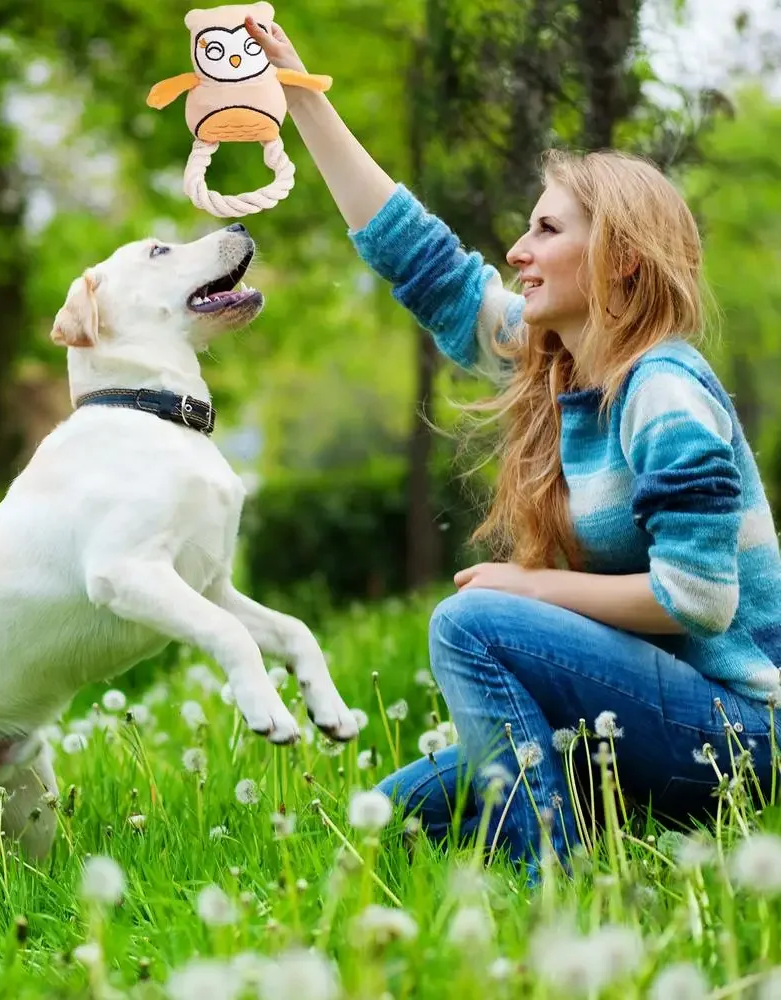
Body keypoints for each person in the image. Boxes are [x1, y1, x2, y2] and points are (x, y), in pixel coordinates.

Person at [244, 17, 781, 877]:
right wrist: (298, 94)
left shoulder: (666, 393)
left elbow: (699, 601)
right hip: (644, 710)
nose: (517, 252)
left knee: (470, 624)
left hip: (736, 736)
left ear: (622, 261)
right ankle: (582, 832)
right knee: (404, 812)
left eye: (546, 231)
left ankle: (554, 887)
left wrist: (532, 589)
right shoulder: (560, 367)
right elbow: (419, 259)